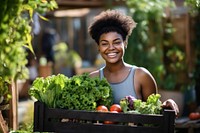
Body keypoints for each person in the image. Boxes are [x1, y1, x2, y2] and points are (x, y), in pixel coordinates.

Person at [88, 9, 179, 116]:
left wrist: (168, 103)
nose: (111, 48)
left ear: (125, 43)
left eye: (116, 42)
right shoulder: (92, 79)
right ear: (98, 47)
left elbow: (154, 112)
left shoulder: (141, 76)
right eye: (104, 44)